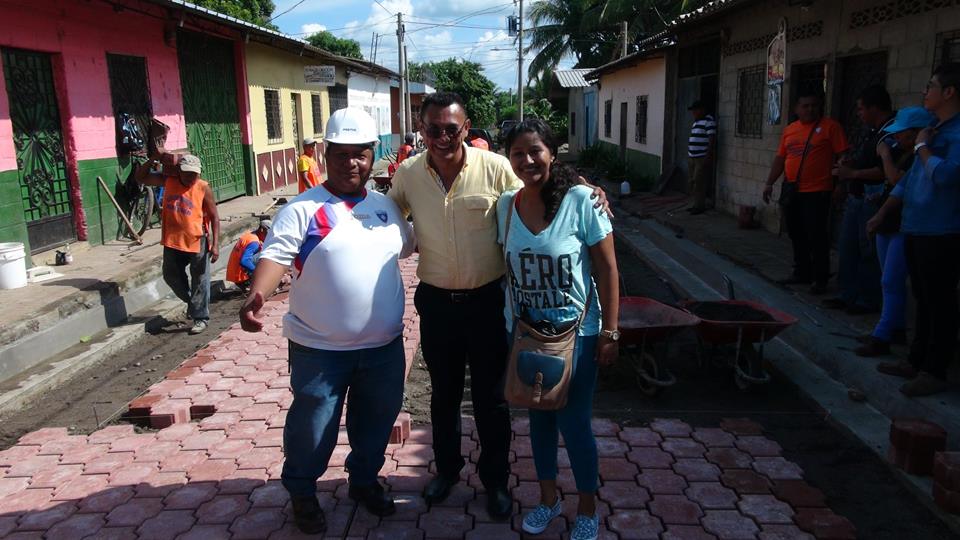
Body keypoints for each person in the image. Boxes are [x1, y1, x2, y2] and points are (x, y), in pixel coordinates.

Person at [388, 92, 608, 520]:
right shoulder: (409, 174)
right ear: (422, 130)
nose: (442, 137)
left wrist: (587, 187)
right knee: (443, 396)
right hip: (436, 303)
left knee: (492, 399)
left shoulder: (495, 168)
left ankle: (495, 482)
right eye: (433, 129)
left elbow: (539, 179)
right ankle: (447, 472)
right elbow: (386, 208)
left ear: (465, 129)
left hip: (489, 302)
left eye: (452, 129)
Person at [239, 108, 416, 533]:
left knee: (375, 424)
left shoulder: (387, 207)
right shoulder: (304, 210)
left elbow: (408, 248)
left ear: (374, 155)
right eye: (341, 154)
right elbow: (276, 256)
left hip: (383, 348)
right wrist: (257, 295)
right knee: (312, 427)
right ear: (325, 154)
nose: (351, 162)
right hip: (320, 350)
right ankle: (302, 492)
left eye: (360, 154)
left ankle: (363, 481)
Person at [498, 119, 619, 540]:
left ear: (552, 152)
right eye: (518, 153)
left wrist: (610, 331)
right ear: (508, 158)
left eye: (536, 151)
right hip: (528, 335)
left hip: (577, 336)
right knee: (539, 422)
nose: (527, 160)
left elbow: (606, 268)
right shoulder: (506, 206)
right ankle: (548, 500)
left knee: (575, 423)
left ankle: (587, 508)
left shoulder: (582, 200)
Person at [868, 63, 960, 397]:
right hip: (916, 226)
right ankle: (916, 359)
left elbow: (946, 176)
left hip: (943, 230)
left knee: (940, 301)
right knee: (920, 298)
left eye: (931, 85)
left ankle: (935, 370)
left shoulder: (951, 135)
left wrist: (922, 149)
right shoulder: (934, 128)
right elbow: (910, 181)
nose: (926, 91)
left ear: (949, 92)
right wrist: (883, 213)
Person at [860, 107, 935, 357]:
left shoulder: (920, 157)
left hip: (907, 225)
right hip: (888, 223)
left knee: (891, 280)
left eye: (901, 134)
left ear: (914, 133)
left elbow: (895, 181)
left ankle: (881, 335)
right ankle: (896, 328)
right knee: (890, 281)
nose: (896, 139)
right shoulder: (899, 152)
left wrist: (884, 156)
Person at [763, 89, 849, 294]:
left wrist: (841, 185)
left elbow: (843, 156)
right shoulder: (790, 130)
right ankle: (802, 271)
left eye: (814, 105)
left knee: (817, 235)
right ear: (796, 109)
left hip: (818, 191)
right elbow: (780, 159)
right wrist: (769, 183)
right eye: (805, 105)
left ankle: (820, 278)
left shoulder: (830, 127)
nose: (810, 109)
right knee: (795, 232)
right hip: (792, 190)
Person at [823, 86, 894, 315]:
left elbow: (885, 171)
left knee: (868, 252)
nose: (859, 113)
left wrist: (852, 174)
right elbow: (862, 160)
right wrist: (849, 165)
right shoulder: (870, 131)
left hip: (872, 199)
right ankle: (847, 294)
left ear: (875, 108)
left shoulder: (892, 133)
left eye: (862, 109)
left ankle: (867, 299)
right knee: (848, 248)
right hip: (856, 197)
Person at [136, 153, 219, 335]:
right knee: (170, 276)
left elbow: (214, 216)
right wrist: (153, 159)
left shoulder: (203, 188)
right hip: (172, 240)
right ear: (179, 171)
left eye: (194, 174)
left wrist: (215, 244)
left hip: (197, 240)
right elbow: (141, 177)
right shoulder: (168, 181)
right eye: (188, 174)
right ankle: (192, 303)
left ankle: (201, 318)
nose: (191, 178)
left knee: (200, 280)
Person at [686, 100, 717, 215]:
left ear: (702, 110)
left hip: (701, 157)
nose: (693, 112)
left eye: (695, 110)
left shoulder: (709, 121)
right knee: (691, 181)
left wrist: (708, 155)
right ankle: (694, 204)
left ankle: (699, 206)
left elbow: (711, 139)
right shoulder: (696, 122)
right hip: (692, 156)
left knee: (699, 181)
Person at [225, 219, 271, 292]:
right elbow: (244, 261)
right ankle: (253, 281)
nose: (268, 237)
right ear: (262, 230)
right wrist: (258, 273)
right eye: (267, 234)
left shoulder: (251, 235)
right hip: (241, 277)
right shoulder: (254, 242)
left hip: (235, 275)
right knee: (267, 254)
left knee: (263, 250)